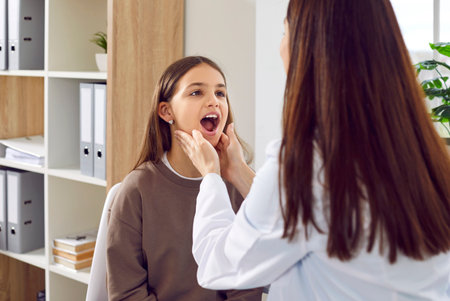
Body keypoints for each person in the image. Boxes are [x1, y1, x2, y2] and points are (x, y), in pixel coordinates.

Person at [175, 0, 450, 300]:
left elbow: (219, 264)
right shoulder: (423, 158)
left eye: (284, 33)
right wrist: (238, 171)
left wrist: (212, 176)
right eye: (197, 92)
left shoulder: (306, 165)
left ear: (307, 48)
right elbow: (301, 224)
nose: (280, 47)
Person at [106, 56, 263, 301]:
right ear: (166, 111)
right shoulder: (137, 190)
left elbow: (246, 287)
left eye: (220, 93)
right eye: (196, 92)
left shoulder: (237, 185)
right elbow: (126, 293)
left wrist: (235, 171)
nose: (214, 101)